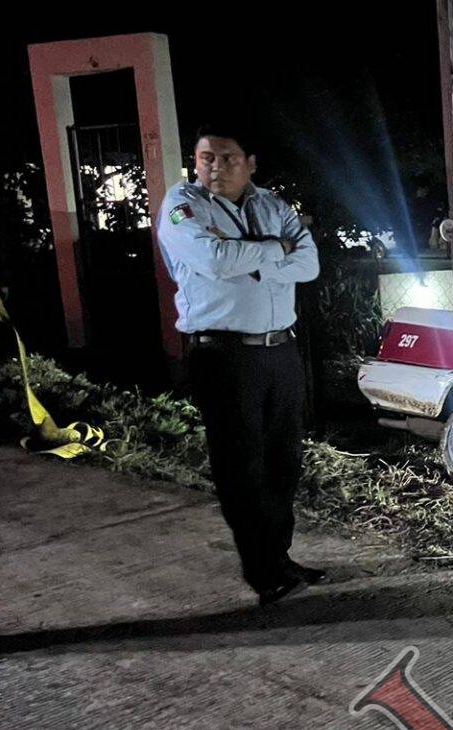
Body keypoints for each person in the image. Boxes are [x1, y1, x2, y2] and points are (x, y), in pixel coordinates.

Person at [156, 123, 324, 605]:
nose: (214, 167)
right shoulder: (183, 205)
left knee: (283, 461)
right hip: (224, 355)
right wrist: (276, 251)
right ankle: (262, 570)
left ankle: (281, 557)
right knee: (241, 467)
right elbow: (211, 259)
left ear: (250, 162)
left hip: (281, 351)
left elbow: (309, 264)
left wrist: (248, 257)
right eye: (206, 157)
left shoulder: (272, 204)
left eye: (227, 157)